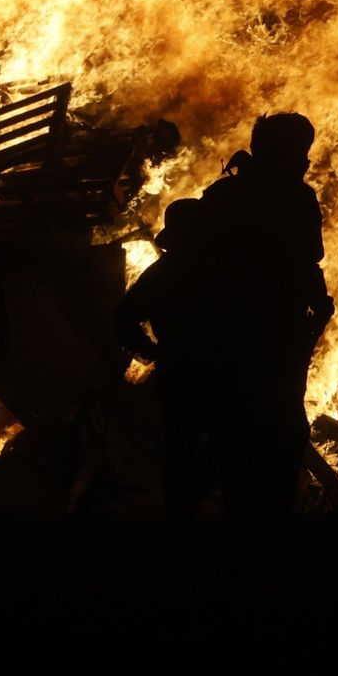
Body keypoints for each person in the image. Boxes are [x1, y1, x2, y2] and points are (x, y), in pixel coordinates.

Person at [197, 112, 334, 515]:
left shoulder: (223, 196)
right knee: (278, 432)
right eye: (300, 152)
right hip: (269, 334)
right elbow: (309, 260)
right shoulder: (296, 198)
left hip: (230, 333)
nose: (305, 161)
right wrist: (317, 304)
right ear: (282, 153)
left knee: (235, 429)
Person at [115, 198, 216, 520]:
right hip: (212, 371)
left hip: (181, 372)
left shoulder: (163, 273)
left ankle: (182, 512)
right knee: (207, 447)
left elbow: (123, 318)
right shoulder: (219, 271)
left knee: (183, 450)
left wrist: (151, 351)